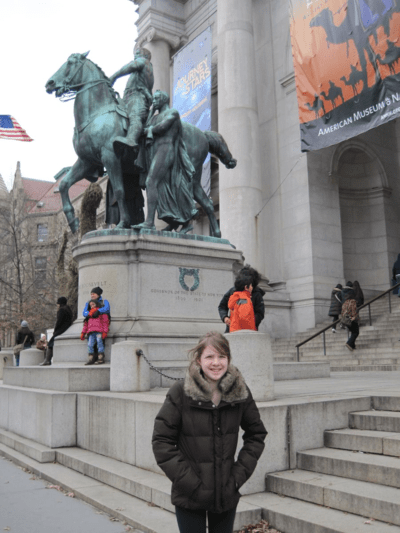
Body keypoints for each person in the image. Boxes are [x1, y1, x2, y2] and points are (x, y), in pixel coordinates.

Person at [152, 332, 267, 533]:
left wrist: (237, 477)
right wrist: (190, 484)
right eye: (209, 357)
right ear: (199, 360)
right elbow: (162, 441)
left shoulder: (239, 391)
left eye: (222, 357)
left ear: (228, 359)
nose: (216, 363)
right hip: (189, 494)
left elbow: (256, 434)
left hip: (226, 494)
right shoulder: (180, 391)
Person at [132, 90, 198, 232]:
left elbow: (162, 128)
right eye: (153, 99)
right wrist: (151, 112)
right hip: (156, 152)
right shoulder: (155, 117)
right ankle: (179, 221)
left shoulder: (172, 113)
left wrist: (149, 129)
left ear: (163, 99)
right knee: (163, 189)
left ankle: (149, 222)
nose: (154, 101)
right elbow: (145, 128)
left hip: (167, 151)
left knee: (151, 182)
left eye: (156, 99)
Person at [109, 47, 154, 158]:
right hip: (128, 98)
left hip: (139, 96)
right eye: (135, 54)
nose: (135, 56)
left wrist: (114, 76)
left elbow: (132, 65)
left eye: (138, 53)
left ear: (146, 56)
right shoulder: (137, 70)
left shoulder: (144, 62)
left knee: (135, 117)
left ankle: (131, 139)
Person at [218, 266, 265, 333]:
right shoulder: (232, 291)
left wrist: (248, 320)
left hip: (250, 330)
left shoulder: (257, 294)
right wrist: (225, 317)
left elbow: (260, 313)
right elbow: (222, 306)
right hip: (232, 329)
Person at [40, 297, 73, 366]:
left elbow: (59, 321)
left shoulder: (61, 310)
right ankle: (47, 360)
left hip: (61, 329)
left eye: (58, 303)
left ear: (60, 303)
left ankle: (47, 360)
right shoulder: (68, 309)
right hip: (67, 328)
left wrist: (55, 330)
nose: (57, 305)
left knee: (50, 344)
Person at [80, 300, 109, 365]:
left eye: (93, 304)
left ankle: (100, 358)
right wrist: (83, 333)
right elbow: (86, 325)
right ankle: (91, 358)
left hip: (99, 332)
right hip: (91, 332)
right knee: (90, 345)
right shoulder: (89, 314)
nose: (92, 306)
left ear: (96, 304)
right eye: (91, 305)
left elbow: (105, 323)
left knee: (99, 343)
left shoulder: (100, 313)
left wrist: (105, 332)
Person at [340, 282, 359, 351]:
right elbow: (354, 310)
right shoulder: (352, 301)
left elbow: (342, 311)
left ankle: (352, 346)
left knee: (353, 331)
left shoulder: (345, 302)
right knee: (356, 332)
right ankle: (349, 343)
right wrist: (354, 317)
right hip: (351, 318)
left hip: (346, 319)